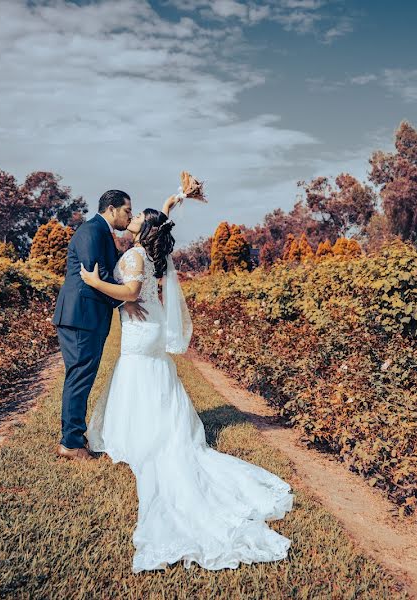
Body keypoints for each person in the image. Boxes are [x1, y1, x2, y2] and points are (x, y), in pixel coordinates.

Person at [79, 195, 293, 572]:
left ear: (143, 229)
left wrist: (95, 282)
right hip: (152, 324)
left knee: (135, 374)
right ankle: (156, 430)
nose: (133, 216)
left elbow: (129, 292)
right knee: (154, 376)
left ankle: (135, 437)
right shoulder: (150, 252)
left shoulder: (133, 256)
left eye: (138, 216)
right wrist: (173, 201)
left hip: (141, 329)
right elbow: (156, 228)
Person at [52, 189, 145, 460]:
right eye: (127, 210)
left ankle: (73, 436)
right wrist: (125, 299)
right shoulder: (93, 231)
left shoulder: (102, 232)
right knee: (79, 377)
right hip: (82, 316)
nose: (129, 216)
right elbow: (98, 274)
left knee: (80, 376)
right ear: (112, 209)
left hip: (87, 316)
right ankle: (70, 444)